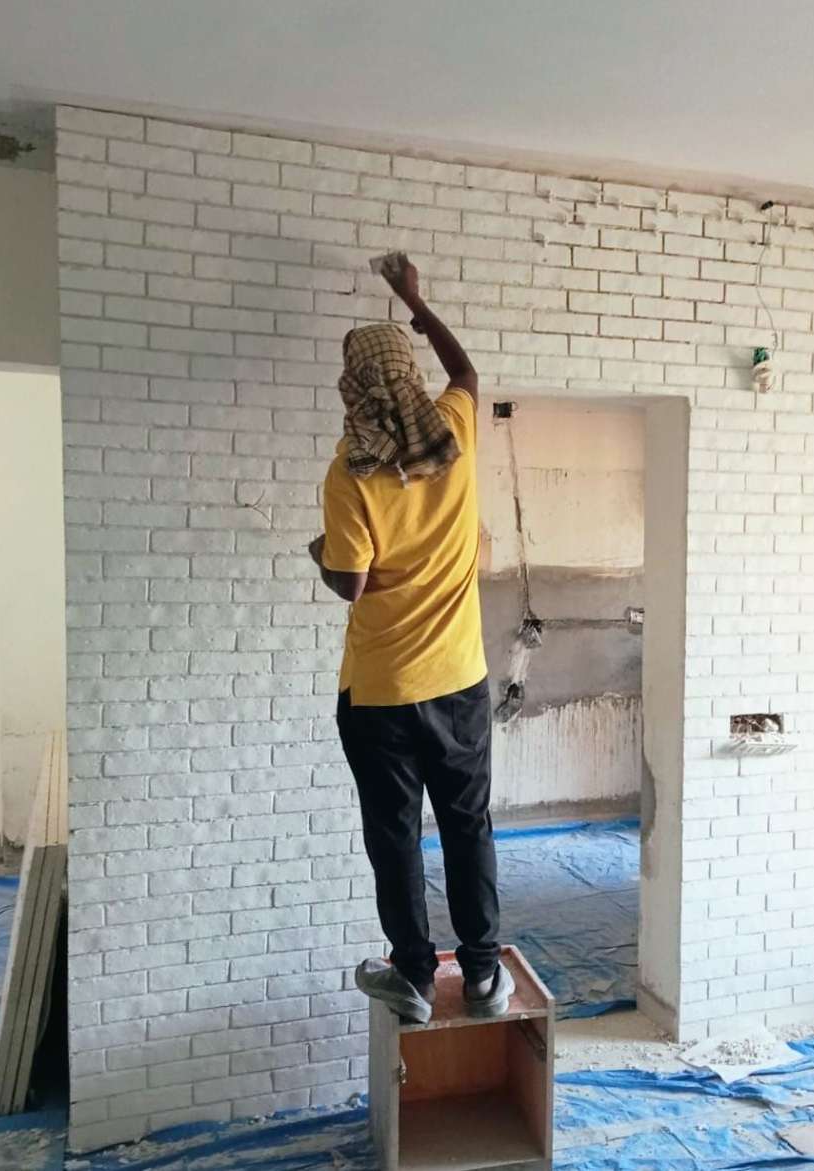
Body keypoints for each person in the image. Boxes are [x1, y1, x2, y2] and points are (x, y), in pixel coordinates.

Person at [308, 256, 510, 1025]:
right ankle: (484, 973)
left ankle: (417, 980)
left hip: (380, 693)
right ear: (408, 373)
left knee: (395, 836)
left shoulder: (349, 473)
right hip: (459, 681)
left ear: (355, 387)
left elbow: (350, 582)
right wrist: (415, 301)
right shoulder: (454, 433)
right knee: (467, 824)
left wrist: (322, 554)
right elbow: (466, 372)